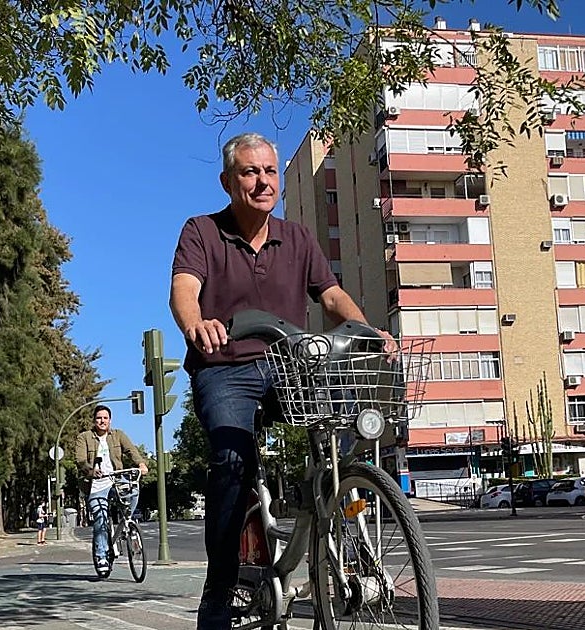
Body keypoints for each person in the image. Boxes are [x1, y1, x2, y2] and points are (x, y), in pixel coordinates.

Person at [169, 132, 380, 629]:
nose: (263, 181)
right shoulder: (202, 231)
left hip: (292, 364)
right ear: (228, 181)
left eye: (269, 171)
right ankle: (218, 592)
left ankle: (333, 508)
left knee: (343, 426)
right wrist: (196, 324)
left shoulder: (298, 238)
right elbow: (184, 289)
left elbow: (330, 298)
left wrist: (369, 331)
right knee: (229, 460)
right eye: (250, 172)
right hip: (227, 367)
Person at [74, 405, 148, 576]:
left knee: (133, 490)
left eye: (105, 418)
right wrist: (91, 471)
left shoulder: (118, 435)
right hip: (96, 483)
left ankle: (126, 522)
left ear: (110, 420)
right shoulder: (84, 437)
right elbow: (80, 460)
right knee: (100, 520)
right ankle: (101, 556)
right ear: (94, 420)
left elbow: (131, 450)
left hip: (116, 479)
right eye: (99, 418)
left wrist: (141, 464)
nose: (102, 421)